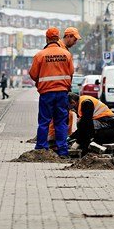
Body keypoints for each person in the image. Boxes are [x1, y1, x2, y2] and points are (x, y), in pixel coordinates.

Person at [29, 27, 73, 158]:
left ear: (47, 39)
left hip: (46, 93)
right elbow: (71, 72)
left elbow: (33, 74)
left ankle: (41, 148)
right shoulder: (66, 54)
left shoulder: (40, 55)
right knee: (61, 122)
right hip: (62, 93)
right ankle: (63, 151)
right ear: (58, 38)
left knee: (44, 121)